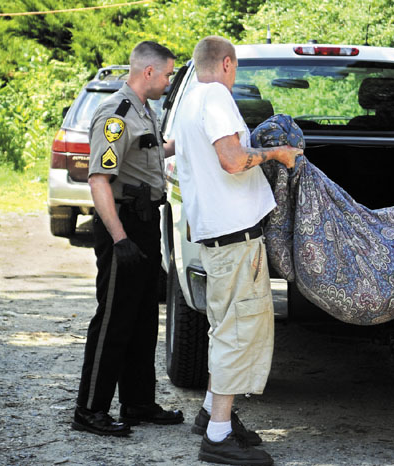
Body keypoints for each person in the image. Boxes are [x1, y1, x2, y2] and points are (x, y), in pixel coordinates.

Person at [173, 36, 302, 466]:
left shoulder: (191, 99)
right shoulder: (215, 97)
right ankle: (217, 436)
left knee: (225, 327)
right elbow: (231, 159)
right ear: (226, 64)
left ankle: (213, 413)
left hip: (217, 236)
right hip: (234, 238)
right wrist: (278, 154)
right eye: (236, 68)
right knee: (237, 333)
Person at [71, 41, 183, 437]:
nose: (170, 82)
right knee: (114, 318)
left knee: (141, 318)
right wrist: (119, 239)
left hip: (146, 221)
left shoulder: (143, 111)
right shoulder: (115, 114)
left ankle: (137, 402)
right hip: (124, 226)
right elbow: (99, 179)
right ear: (149, 72)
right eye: (168, 74)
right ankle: (89, 410)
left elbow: (151, 153)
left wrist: (188, 143)